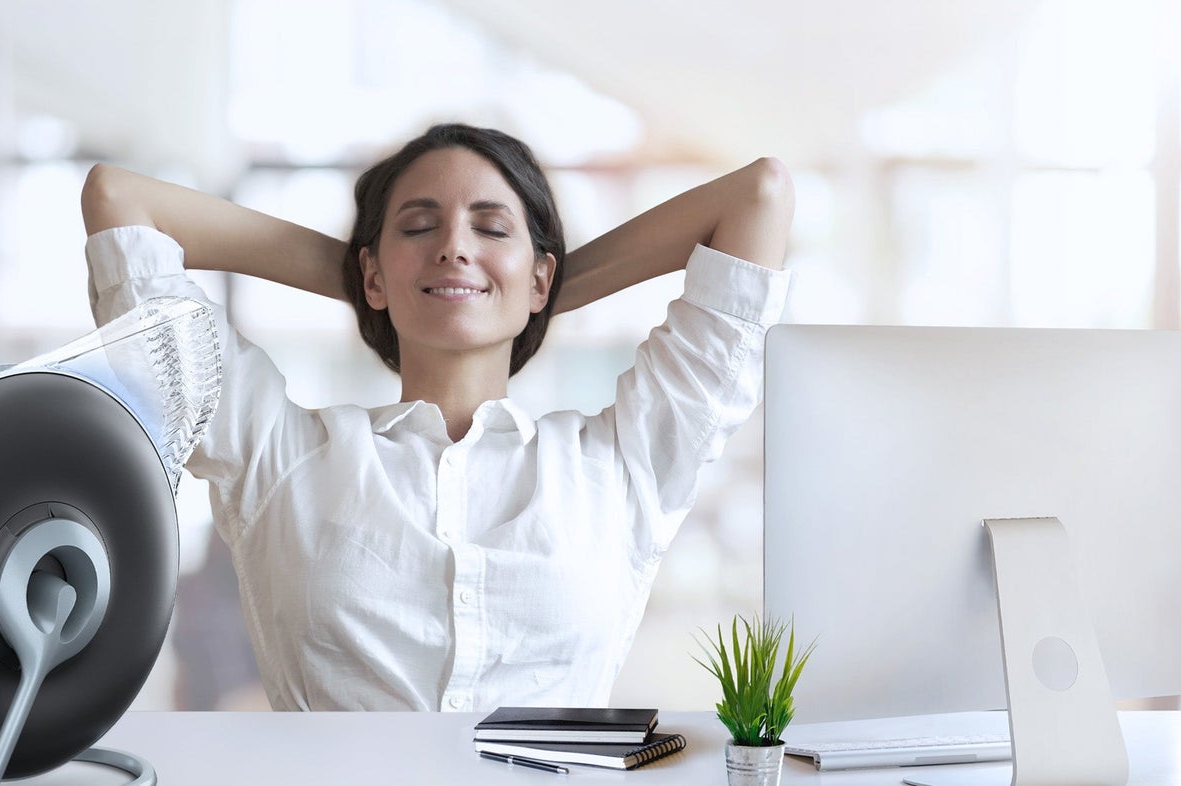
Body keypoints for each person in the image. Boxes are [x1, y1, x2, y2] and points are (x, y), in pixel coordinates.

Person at [80, 123, 793, 712]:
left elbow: (758, 197)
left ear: (543, 276)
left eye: (490, 226)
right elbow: (119, 201)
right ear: (370, 274)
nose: (454, 242)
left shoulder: (618, 466)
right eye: (420, 225)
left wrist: (511, 283)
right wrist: (406, 278)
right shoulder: (277, 452)